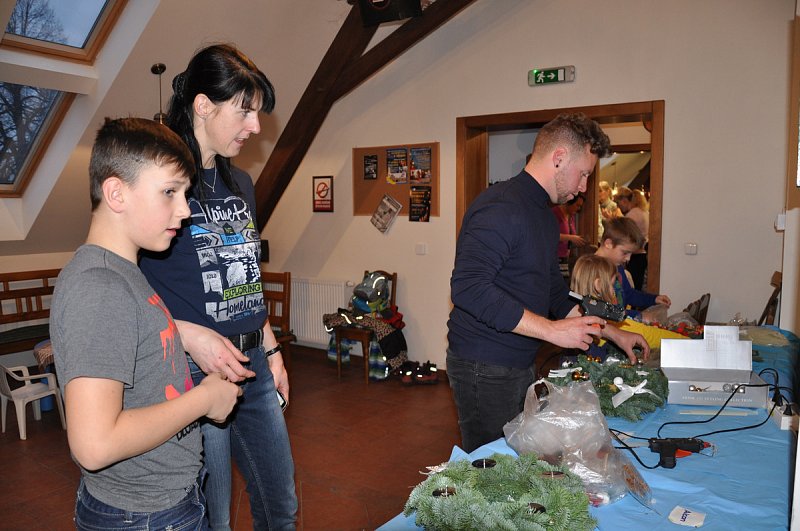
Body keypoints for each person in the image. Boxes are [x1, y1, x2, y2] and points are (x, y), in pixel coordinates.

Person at [50, 117, 242, 529]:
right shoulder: (101, 286)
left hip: (159, 502)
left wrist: (185, 333)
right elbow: (94, 445)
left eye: (185, 193)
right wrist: (205, 399)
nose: (185, 210)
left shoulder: (123, 271)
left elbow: (130, 331)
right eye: (170, 192)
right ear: (116, 193)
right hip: (146, 515)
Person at [139, 44, 297, 530]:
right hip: (193, 371)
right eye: (244, 111)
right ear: (203, 105)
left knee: (281, 507)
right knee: (214, 519)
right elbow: (124, 285)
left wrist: (272, 351)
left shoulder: (241, 183)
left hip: (253, 365)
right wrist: (186, 335)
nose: (256, 126)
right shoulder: (161, 183)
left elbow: (246, 275)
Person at [447, 112, 650, 453]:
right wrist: (552, 331)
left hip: (517, 359)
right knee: (492, 467)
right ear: (558, 158)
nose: (583, 187)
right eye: (583, 174)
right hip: (484, 365)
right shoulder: (501, 207)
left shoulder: (543, 214)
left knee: (519, 460)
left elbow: (555, 292)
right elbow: (468, 288)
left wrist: (613, 333)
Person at [570, 254, 686, 354]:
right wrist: (685, 341)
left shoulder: (574, 319)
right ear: (599, 285)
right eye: (612, 285)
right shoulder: (609, 322)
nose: (614, 290)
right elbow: (648, 335)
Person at [595, 216, 671, 323]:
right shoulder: (592, 270)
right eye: (625, 252)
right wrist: (638, 315)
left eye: (631, 253)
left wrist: (653, 299)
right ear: (608, 244)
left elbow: (628, 294)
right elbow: (599, 310)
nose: (628, 258)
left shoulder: (617, 266)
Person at [614, 186, 649, 289]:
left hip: (636, 254)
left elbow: (624, 235)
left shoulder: (632, 215)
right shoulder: (644, 212)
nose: (619, 207)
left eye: (618, 203)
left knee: (633, 286)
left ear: (624, 201)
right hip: (643, 254)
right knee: (638, 285)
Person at [552, 193, 587, 282]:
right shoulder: (554, 213)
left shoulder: (571, 216)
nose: (579, 208)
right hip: (555, 259)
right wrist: (571, 238)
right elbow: (549, 235)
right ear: (569, 202)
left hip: (565, 259)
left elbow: (570, 238)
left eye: (580, 206)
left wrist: (578, 240)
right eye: (577, 205)